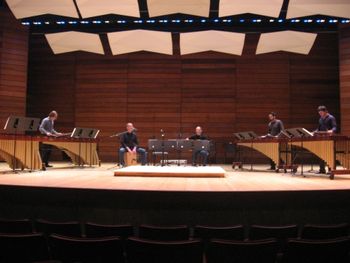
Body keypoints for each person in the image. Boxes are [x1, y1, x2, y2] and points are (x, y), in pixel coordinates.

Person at [314, 105, 337, 173]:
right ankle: (322, 169)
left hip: (329, 139)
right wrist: (314, 131)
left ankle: (330, 170)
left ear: (325, 111)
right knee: (320, 153)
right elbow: (319, 129)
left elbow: (335, 127)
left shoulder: (331, 118)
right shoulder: (320, 119)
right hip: (322, 138)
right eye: (319, 113)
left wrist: (332, 130)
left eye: (321, 112)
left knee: (329, 154)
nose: (320, 114)